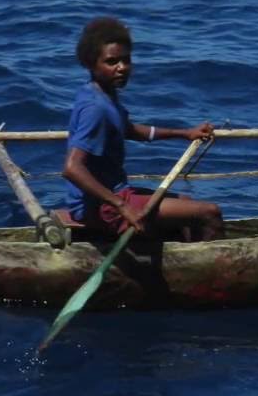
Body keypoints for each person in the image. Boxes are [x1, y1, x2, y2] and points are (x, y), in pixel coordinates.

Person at [61, 17, 224, 241]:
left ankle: (187, 260)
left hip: (115, 197)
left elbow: (128, 130)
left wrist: (184, 133)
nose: (122, 68)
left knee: (187, 205)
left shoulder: (101, 94)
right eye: (112, 62)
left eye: (126, 60)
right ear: (91, 64)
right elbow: (71, 168)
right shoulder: (95, 108)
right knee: (209, 212)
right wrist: (121, 206)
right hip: (101, 207)